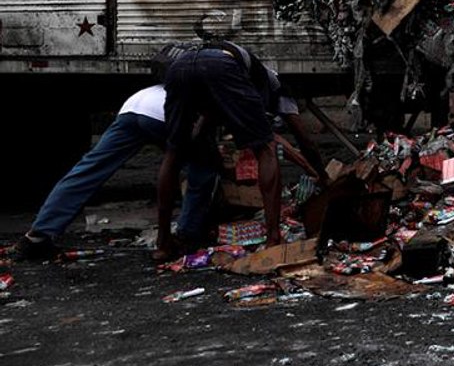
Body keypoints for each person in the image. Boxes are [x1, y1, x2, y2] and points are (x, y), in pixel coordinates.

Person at [12, 80, 219, 262]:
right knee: (202, 169)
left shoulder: (189, 77)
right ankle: (187, 234)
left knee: (90, 169)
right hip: (163, 113)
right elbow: (201, 136)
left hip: (133, 106)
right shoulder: (227, 88)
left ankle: (37, 235)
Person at [158, 40, 288, 256]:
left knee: (173, 152)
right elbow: (264, 136)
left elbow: (209, 116)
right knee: (266, 149)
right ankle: (274, 239)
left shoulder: (235, 63)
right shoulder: (266, 83)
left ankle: (163, 244)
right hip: (219, 65)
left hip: (179, 65)